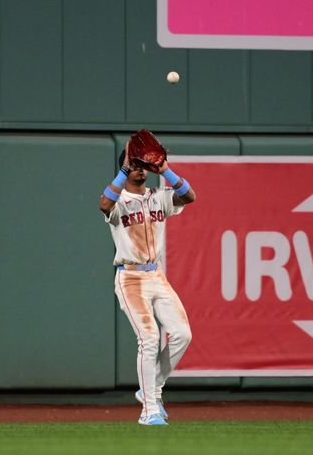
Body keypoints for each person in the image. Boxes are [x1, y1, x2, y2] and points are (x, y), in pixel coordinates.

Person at [99, 138, 196, 426]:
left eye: (144, 166)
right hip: (130, 277)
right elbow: (104, 203)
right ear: (125, 168)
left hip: (156, 275)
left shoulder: (159, 196)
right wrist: (124, 169)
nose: (141, 170)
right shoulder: (118, 201)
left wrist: (164, 168)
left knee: (182, 334)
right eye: (136, 165)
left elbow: (190, 197)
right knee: (150, 338)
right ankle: (149, 411)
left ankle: (150, 389)